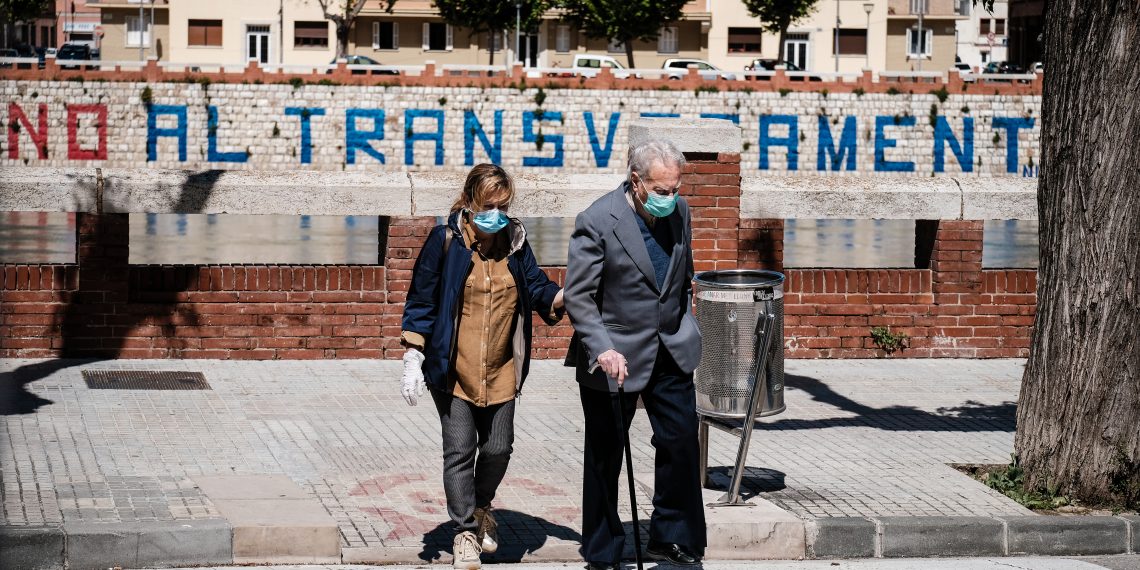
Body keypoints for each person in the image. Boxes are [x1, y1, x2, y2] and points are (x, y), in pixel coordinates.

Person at [400, 163, 565, 570]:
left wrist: (567, 295)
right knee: (459, 451)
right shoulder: (445, 241)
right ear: (470, 202)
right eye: (489, 204)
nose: (497, 212)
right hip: (454, 370)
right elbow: (421, 301)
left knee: (498, 448)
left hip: (502, 370)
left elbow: (539, 288)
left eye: (504, 205)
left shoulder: (516, 242)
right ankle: (463, 534)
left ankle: (481, 508)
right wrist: (413, 355)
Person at [564, 139, 706, 569]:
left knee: (681, 442)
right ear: (636, 180)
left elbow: (683, 272)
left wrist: (687, 317)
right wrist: (602, 347)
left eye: (675, 188)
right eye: (661, 190)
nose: (670, 198)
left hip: (671, 346)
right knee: (606, 455)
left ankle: (673, 535)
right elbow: (579, 296)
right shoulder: (597, 220)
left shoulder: (679, 212)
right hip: (616, 354)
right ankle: (604, 549)